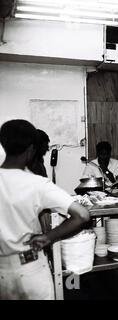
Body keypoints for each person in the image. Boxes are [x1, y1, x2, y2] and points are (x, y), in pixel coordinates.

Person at [0, 119, 90, 300]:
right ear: (32, 149)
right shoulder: (36, 183)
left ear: (3, 144)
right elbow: (82, 214)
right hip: (30, 265)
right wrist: (49, 237)